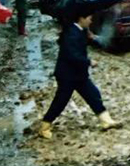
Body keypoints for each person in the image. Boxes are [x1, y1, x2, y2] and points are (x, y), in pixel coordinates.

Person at [38, 8, 119, 139]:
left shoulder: (80, 31)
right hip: (67, 75)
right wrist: (89, 62)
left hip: (78, 74)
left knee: (93, 94)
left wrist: (92, 37)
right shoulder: (71, 33)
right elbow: (72, 55)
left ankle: (106, 121)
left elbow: (86, 44)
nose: (91, 21)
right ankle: (45, 126)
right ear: (81, 18)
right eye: (89, 18)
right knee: (61, 101)